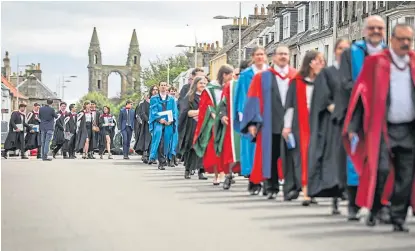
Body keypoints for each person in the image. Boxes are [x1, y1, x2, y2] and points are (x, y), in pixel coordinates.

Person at [343, 23, 415, 232]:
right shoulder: (376, 62)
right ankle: (375, 207)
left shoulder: (413, 62)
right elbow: (360, 93)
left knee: (405, 174)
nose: (405, 43)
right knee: (381, 169)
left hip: (409, 129)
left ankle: (398, 216)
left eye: (409, 40)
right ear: (391, 40)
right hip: (383, 128)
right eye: (401, 39)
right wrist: (354, 125)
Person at [336, 15, 389, 222]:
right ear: (365, 31)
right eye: (372, 27)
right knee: (356, 160)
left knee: (383, 162)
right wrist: (365, 91)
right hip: (358, 114)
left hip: (383, 118)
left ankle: (380, 204)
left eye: (380, 27)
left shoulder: (389, 53)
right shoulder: (352, 53)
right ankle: (353, 203)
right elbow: (345, 82)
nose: (376, 31)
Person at [241, 46, 297, 198]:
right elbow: (252, 99)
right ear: (274, 58)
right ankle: (271, 187)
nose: (283, 56)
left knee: (291, 157)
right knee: (271, 156)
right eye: (280, 54)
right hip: (270, 122)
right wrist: (252, 123)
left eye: (286, 54)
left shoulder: (295, 75)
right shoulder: (262, 77)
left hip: (292, 123)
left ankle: (290, 188)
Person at [307, 39, 350, 214]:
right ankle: (336, 198)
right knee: (335, 161)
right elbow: (323, 97)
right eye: (340, 48)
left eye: (347, 49)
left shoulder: (357, 72)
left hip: (355, 123)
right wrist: (337, 109)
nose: (343, 51)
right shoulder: (328, 73)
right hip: (334, 124)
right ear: (335, 51)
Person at [282, 50, 325, 206]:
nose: (321, 64)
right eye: (319, 61)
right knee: (304, 158)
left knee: (316, 158)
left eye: (322, 61)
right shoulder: (297, 81)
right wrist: (287, 127)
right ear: (310, 62)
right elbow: (290, 105)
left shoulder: (323, 80)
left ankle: (313, 190)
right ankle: (306, 192)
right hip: (300, 124)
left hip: (319, 123)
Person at [234, 46, 269, 193]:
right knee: (251, 148)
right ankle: (253, 180)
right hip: (251, 114)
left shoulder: (270, 73)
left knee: (267, 148)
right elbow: (242, 96)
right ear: (253, 57)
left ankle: (267, 180)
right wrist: (245, 118)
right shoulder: (246, 75)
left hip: (268, 114)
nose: (260, 57)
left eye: (262, 54)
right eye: (258, 54)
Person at [193, 65, 234, 185]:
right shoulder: (210, 89)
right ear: (224, 75)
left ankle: (225, 173)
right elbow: (206, 105)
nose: (231, 79)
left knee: (225, 148)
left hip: (227, 120)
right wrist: (214, 115)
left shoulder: (230, 87)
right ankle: (217, 174)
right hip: (213, 122)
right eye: (230, 76)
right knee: (214, 148)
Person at [216, 60, 251, 189]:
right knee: (233, 151)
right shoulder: (231, 86)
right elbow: (223, 104)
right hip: (234, 123)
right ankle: (228, 175)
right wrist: (223, 115)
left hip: (253, 122)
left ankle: (255, 178)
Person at [178, 76, 208, 179]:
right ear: (195, 85)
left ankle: (201, 171)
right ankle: (188, 169)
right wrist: (200, 112)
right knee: (191, 148)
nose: (203, 85)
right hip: (192, 125)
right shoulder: (190, 97)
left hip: (204, 125)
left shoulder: (207, 96)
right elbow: (187, 112)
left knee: (203, 147)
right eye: (201, 83)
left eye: (204, 83)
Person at [148, 81, 179, 170]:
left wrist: (171, 120)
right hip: (158, 123)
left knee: (167, 142)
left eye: (165, 85)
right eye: (162, 85)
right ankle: (161, 162)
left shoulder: (171, 99)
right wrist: (159, 119)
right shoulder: (154, 98)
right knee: (159, 141)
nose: (163, 87)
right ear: (159, 87)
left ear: (167, 87)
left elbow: (174, 111)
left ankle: (166, 158)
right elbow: (153, 111)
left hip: (169, 124)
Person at [135, 87, 157, 163]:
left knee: (154, 139)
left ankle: (152, 156)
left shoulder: (158, 101)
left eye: (156, 90)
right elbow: (143, 113)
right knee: (147, 139)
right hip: (147, 123)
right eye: (154, 90)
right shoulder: (146, 102)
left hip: (156, 122)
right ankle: (145, 154)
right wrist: (148, 120)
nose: (155, 91)